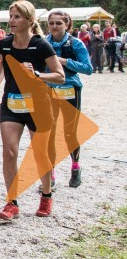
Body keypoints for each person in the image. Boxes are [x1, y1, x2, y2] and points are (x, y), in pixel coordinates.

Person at [0, 0, 64, 221]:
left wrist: (38, 74)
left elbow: (60, 76)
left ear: (30, 20)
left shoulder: (41, 46)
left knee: (40, 154)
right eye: (11, 16)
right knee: (9, 152)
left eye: (17, 17)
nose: (12, 20)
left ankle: (46, 195)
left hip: (38, 105)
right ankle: (12, 203)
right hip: (11, 103)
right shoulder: (4, 44)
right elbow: (4, 64)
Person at [45, 10, 92, 188]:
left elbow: (88, 68)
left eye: (59, 23)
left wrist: (64, 62)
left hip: (71, 89)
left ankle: (75, 167)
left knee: (69, 132)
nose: (55, 26)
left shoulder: (76, 43)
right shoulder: (43, 44)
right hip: (49, 90)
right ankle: (51, 174)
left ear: (67, 25)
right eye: (51, 23)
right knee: (49, 132)